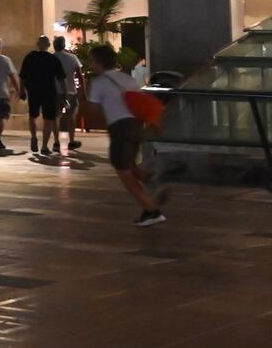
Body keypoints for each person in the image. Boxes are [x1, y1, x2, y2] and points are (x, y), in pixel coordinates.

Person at [85, 43, 165, 226]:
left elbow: (93, 110)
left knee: (124, 172)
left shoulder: (98, 83)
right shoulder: (126, 78)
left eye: (92, 61)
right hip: (136, 125)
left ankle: (151, 209)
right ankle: (152, 179)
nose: (90, 65)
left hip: (120, 128)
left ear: (98, 62)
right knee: (130, 164)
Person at [20, 35, 66, 157]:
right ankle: (44, 146)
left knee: (33, 115)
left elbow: (22, 76)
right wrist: (64, 94)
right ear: (49, 45)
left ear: (37, 43)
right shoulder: (53, 59)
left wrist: (21, 90)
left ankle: (34, 137)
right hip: (49, 92)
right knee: (48, 119)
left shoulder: (30, 57)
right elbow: (61, 79)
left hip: (33, 91)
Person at [54, 36, 83, 151]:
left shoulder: (51, 58)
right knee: (71, 116)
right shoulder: (72, 58)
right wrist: (83, 91)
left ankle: (56, 142)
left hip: (55, 92)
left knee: (55, 117)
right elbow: (79, 76)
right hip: (70, 91)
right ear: (64, 45)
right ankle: (71, 140)